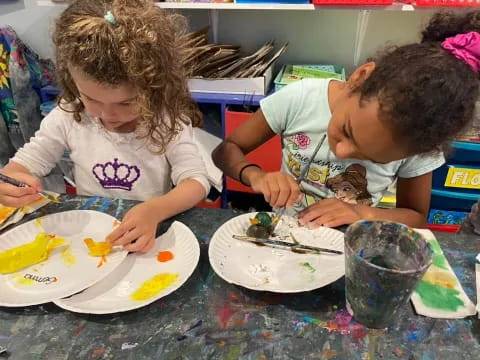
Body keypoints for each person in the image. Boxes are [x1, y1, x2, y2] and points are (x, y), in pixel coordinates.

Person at [213, 11, 480, 229]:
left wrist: (361, 213)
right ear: (360, 77)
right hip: (286, 231)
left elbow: (415, 217)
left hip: (348, 244)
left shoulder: (417, 141)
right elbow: (225, 150)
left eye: (374, 159)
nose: (341, 151)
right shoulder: (300, 99)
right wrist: (255, 175)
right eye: (347, 131)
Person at [0, 0, 210, 252]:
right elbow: (26, 161)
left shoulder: (166, 120)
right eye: (91, 98)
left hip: (146, 235)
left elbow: (196, 181)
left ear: (154, 88)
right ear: (72, 81)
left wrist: (155, 211)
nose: (107, 113)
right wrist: (12, 179)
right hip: (90, 237)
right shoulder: (69, 114)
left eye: (126, 103)